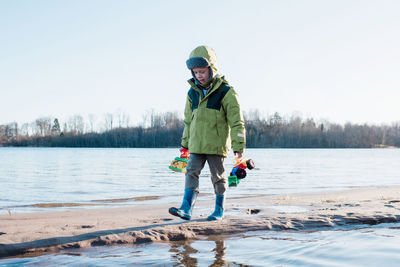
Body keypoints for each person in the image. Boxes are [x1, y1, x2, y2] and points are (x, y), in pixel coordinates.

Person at [169, 45, 246, 221]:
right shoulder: (191, 93)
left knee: (218, 177)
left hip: (216, 144)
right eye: (195, 72)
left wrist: (239, 146)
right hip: (196, 144)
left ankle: (219, 209)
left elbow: (236, 121)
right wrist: (185, 144)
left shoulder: (226, 92)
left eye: (202, 71)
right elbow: (188, 121)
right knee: (191, 172)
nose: (199, 76)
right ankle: (186, 208)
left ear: (212, 69)